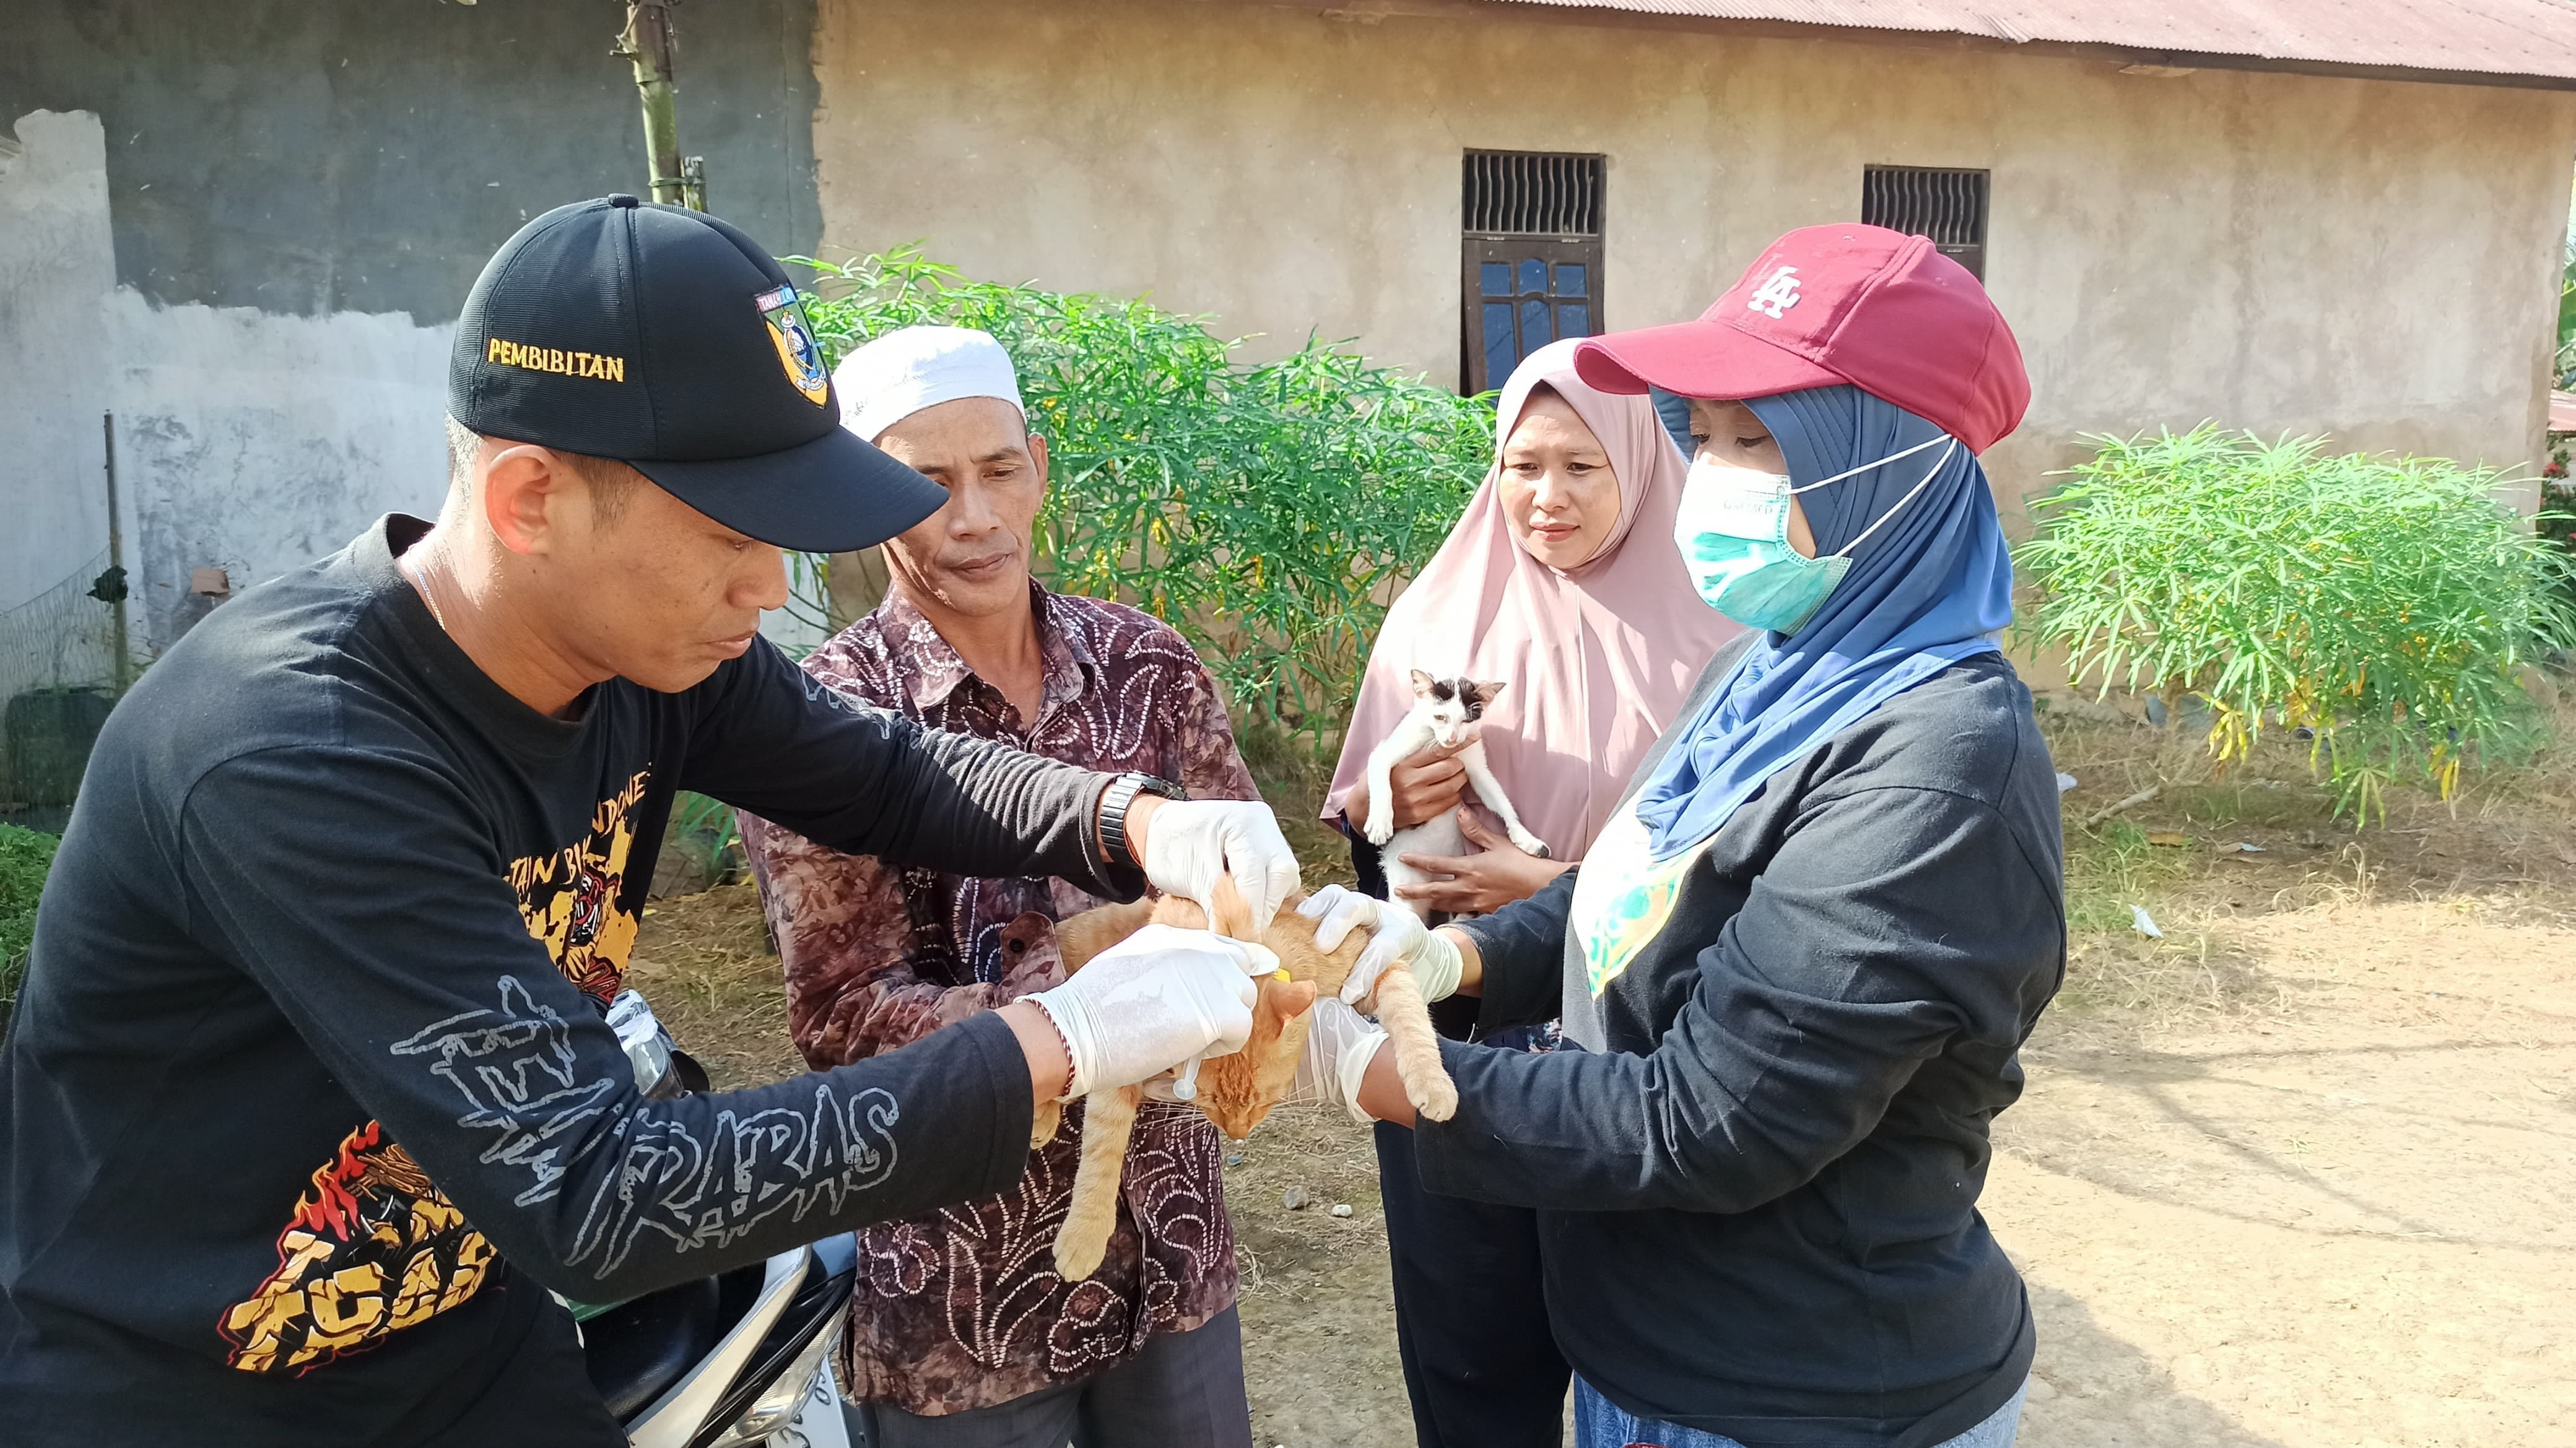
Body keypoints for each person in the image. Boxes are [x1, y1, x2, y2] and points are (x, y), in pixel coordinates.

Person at [0, 197, 1303, 1448]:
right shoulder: (297, 754)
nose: (771, 585)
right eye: (734, 531)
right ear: (528, 501)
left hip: (461, 1351)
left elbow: (887, 775)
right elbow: (599, 1193)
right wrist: (1060, 1040)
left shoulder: (647, 654)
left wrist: (1134, 822)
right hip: (182, 1387)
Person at [1294, 223, 2064, 1448]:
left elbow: (1710, 1120)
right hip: (1649, 1352)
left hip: (1793, 1388)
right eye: (1701, 435)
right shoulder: (1765, 670)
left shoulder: (1935, 766)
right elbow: (1639, 883)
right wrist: (1459, 963)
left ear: (1890, 464)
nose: (1711, 475)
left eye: (1757, 440)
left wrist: (1359, 1068)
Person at [738, 325, 1260, 1448]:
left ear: (1038, 464)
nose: (973, 518)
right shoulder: (824, 719)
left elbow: (1245, 902)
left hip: (1167, 1243)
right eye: (925, 485)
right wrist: (1071, 1009)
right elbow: (841, 1017)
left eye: (998, 470)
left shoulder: (1149, 667)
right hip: (961, 1283)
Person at [1321, 336, 1736, 1448]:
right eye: (1522, 466)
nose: (1545, 498)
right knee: (1472, 1357)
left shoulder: (1725, 632)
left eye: (1581, 468)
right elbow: (1376, 872)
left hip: (1643, 1053)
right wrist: (1392, 802)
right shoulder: (1436, 619)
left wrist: (1546, 886)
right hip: (1460, 1043)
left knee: (1636, 1355)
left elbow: (1750, 876)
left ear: (1641, 466)